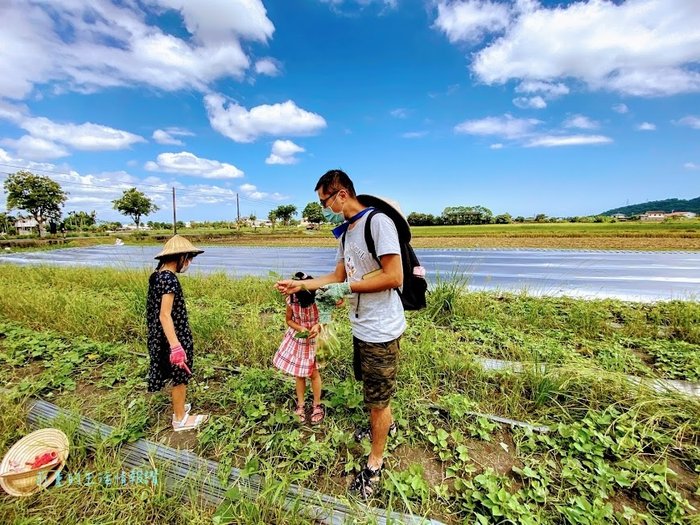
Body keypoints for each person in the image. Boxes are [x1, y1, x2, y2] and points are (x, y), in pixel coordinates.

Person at [274, 169, 405, 498]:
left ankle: (375, 463)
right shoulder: (347, 233)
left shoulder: (378, 223)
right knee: (372, 391)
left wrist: (348, 286)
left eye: (324, 200)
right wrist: (302, 284)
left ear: (341, 194)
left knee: (378, 400)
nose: (323, 206)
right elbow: (336, 275)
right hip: (362, 326)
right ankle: (380, 425)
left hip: (381, 328)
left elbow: (394, 277)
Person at [146, 234, 209, 432]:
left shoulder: (158, 275)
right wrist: (176, 346)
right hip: (173, 334)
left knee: (177, 373)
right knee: (180, 374)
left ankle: (179, 407)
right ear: (180, 257)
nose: (189, 262)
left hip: (160, 334)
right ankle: (180, 419)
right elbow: (165, 314)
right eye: (188, 258)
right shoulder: (170, 279)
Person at [272, 272, 324, 424]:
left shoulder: (320, 298)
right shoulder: (291, 300)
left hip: (315, 340)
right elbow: (288, 320)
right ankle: (300, 405)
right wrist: (300, 328)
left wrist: (317, 326)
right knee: (299, 374)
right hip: (300, 340)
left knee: (314, 373)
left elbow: (326, 319)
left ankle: (317, 404)